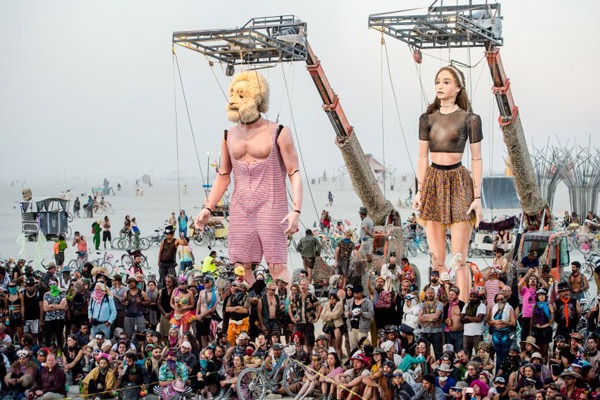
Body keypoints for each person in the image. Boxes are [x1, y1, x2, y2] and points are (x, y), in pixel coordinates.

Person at [194, 71, 303, 286]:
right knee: (241, 267)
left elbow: (294, 172)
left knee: (277, 265)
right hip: (240, 206)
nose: (234, 100)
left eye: (242, 95)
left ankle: (284, 303)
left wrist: (296, 210)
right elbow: (223, 175)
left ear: (257, 99)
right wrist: (208, 208)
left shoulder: (279, 132)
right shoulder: (228, 135)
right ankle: (257, 299)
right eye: (233, 94)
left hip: (271, 204)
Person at [412, 66, 483, 298]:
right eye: (437, 82)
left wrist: (477, 197)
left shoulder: (470, 119)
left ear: (458, 87)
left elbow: (476, 158)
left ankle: (462, 305)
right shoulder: (427, 118)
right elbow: (422, 156)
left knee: (459, 257)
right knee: (437, 258)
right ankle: (446, 300)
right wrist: (420, 190)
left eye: (446, 82)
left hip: (459, 180)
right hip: (433, 181)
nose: (440, 86)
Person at [43, 278, 68, 349]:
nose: (52, 285)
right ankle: (48, 351)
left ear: (57, 284)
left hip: (59, 318)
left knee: (59, 336)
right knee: (48, 337)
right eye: (50, 284)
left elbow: (63, 306)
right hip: (49, 319)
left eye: (54, 284)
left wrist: (51, 305)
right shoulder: (47, 295)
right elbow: (45, 308)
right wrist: (58, 306)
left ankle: (60, 351)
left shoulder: (62, 294)